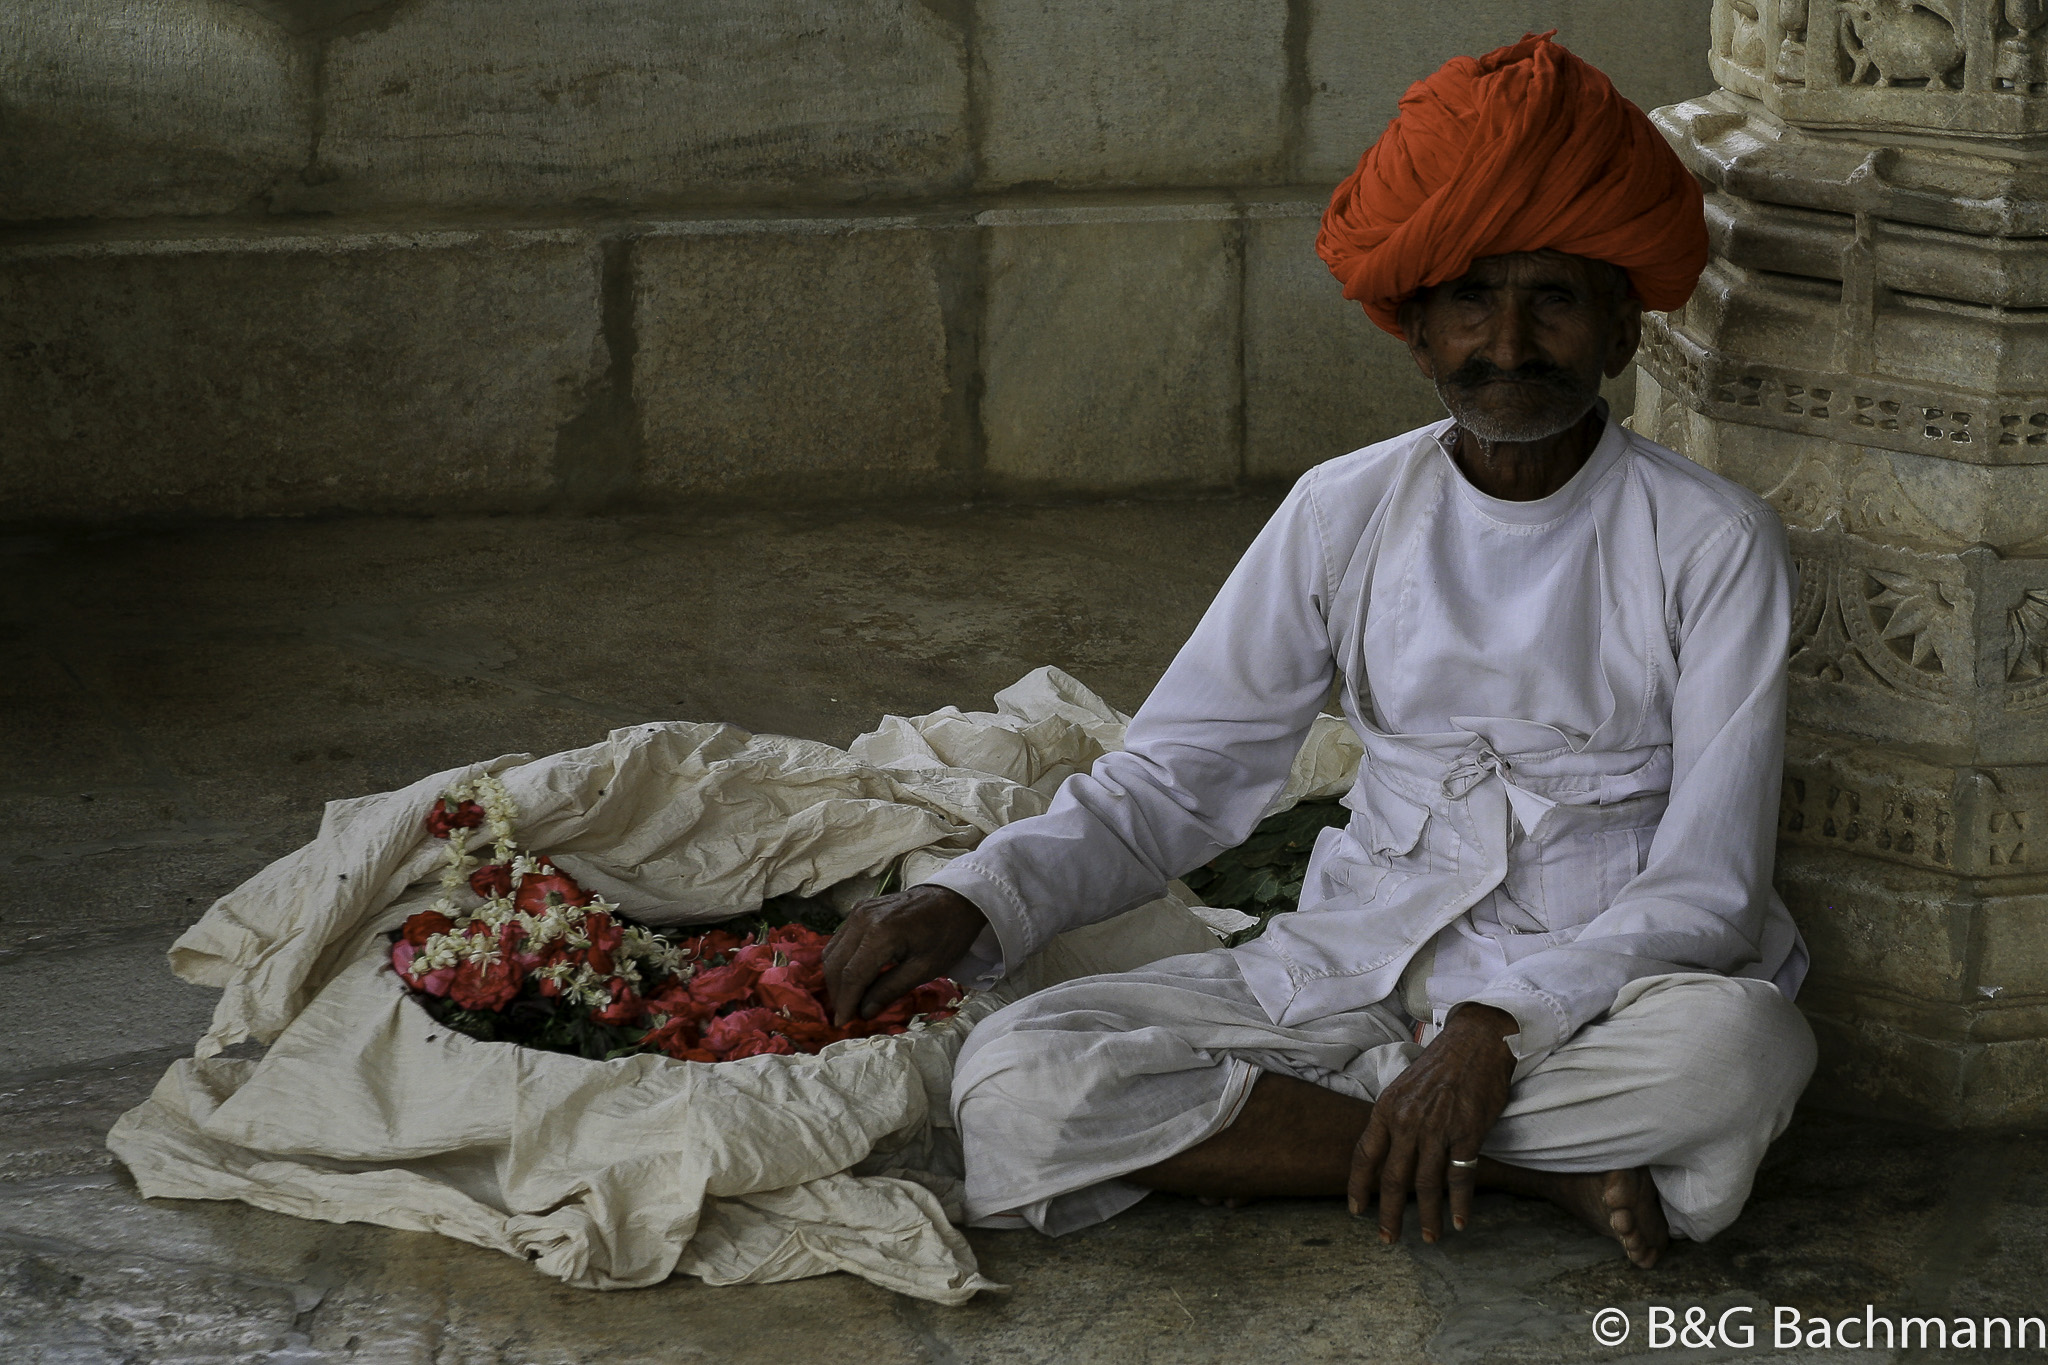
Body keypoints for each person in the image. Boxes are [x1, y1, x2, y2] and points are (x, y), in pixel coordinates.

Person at [821, 33, 1814, 1270]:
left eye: (1552, 300)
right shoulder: (1343, 509)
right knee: (1011, 1075)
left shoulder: (1711, 539)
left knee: (1738, 1057)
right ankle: (1518, 1167)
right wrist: (975, 893)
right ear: (1416, 333)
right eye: (1471, 300)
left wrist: (1493, 1030)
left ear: (1620, 332)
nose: (1508, 343)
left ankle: (1337, 1129)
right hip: (1355, 968)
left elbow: (1709, 886)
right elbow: (1180, 774)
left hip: (1592, 994)